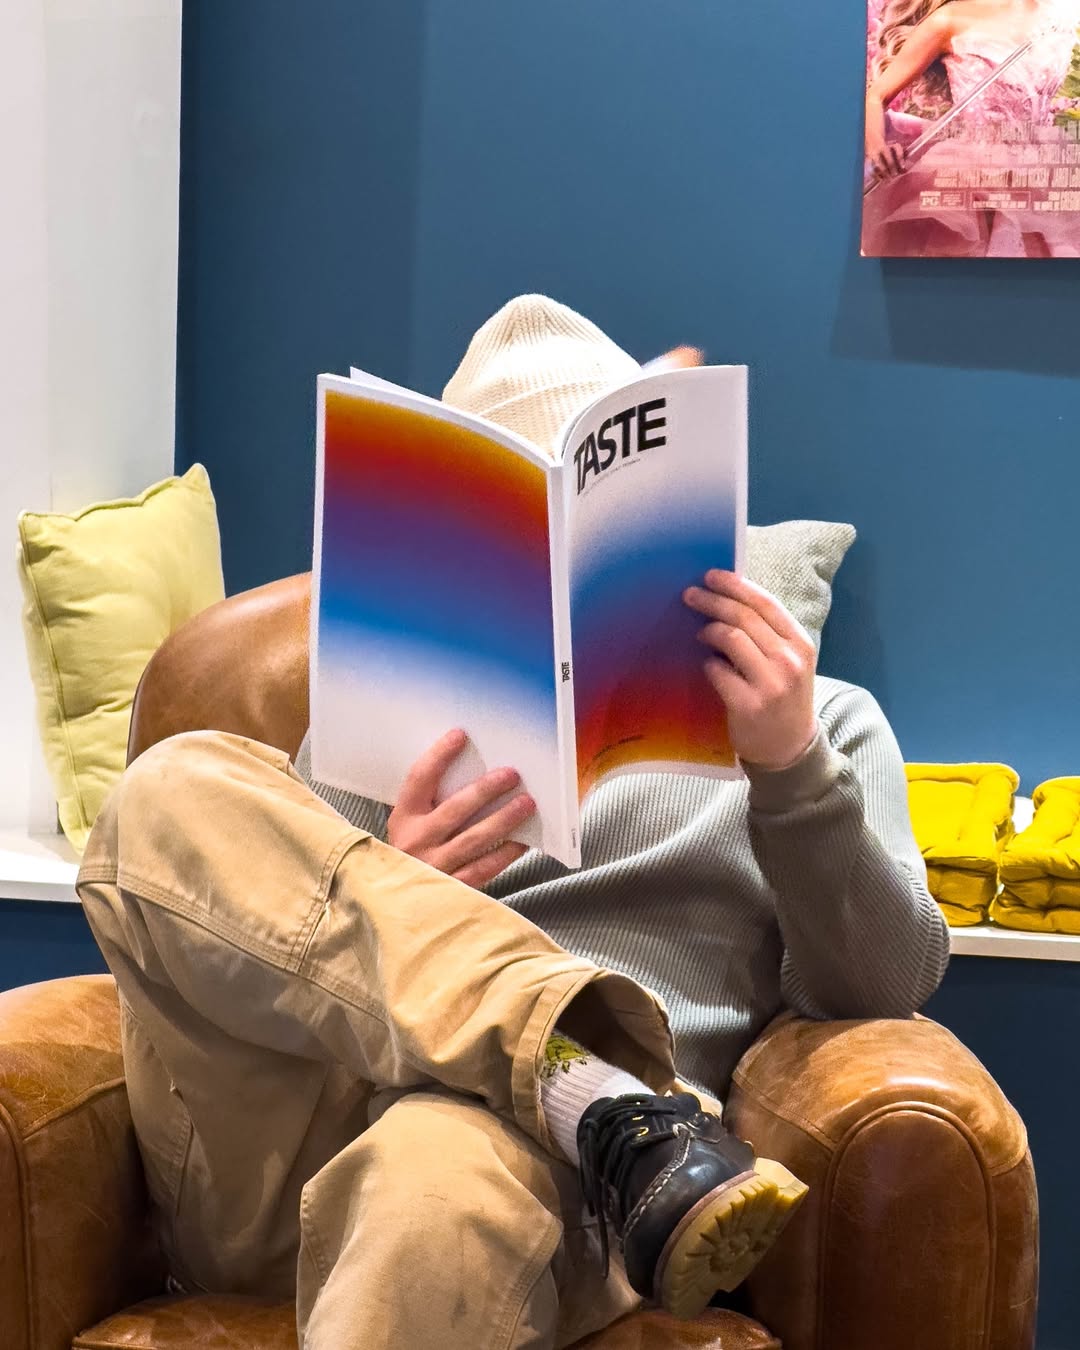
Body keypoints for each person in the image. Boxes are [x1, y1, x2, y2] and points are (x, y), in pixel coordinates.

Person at [76, 295, 950, 1350]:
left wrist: (789, 768)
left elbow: (882, 985)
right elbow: (234, 938)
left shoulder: (819, 725)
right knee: (167, 785)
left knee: (435, 1176)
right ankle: (587, 1085)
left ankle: (586, 1107)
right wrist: (393, 874)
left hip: (538, 1183)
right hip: (305, 1137)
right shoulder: (376, 716)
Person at [863, 0, 1080, 256]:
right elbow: (875, 96)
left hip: (1045, 171)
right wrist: (877, 146)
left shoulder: (1057, 14)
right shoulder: (947, 21)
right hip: (976, 175)